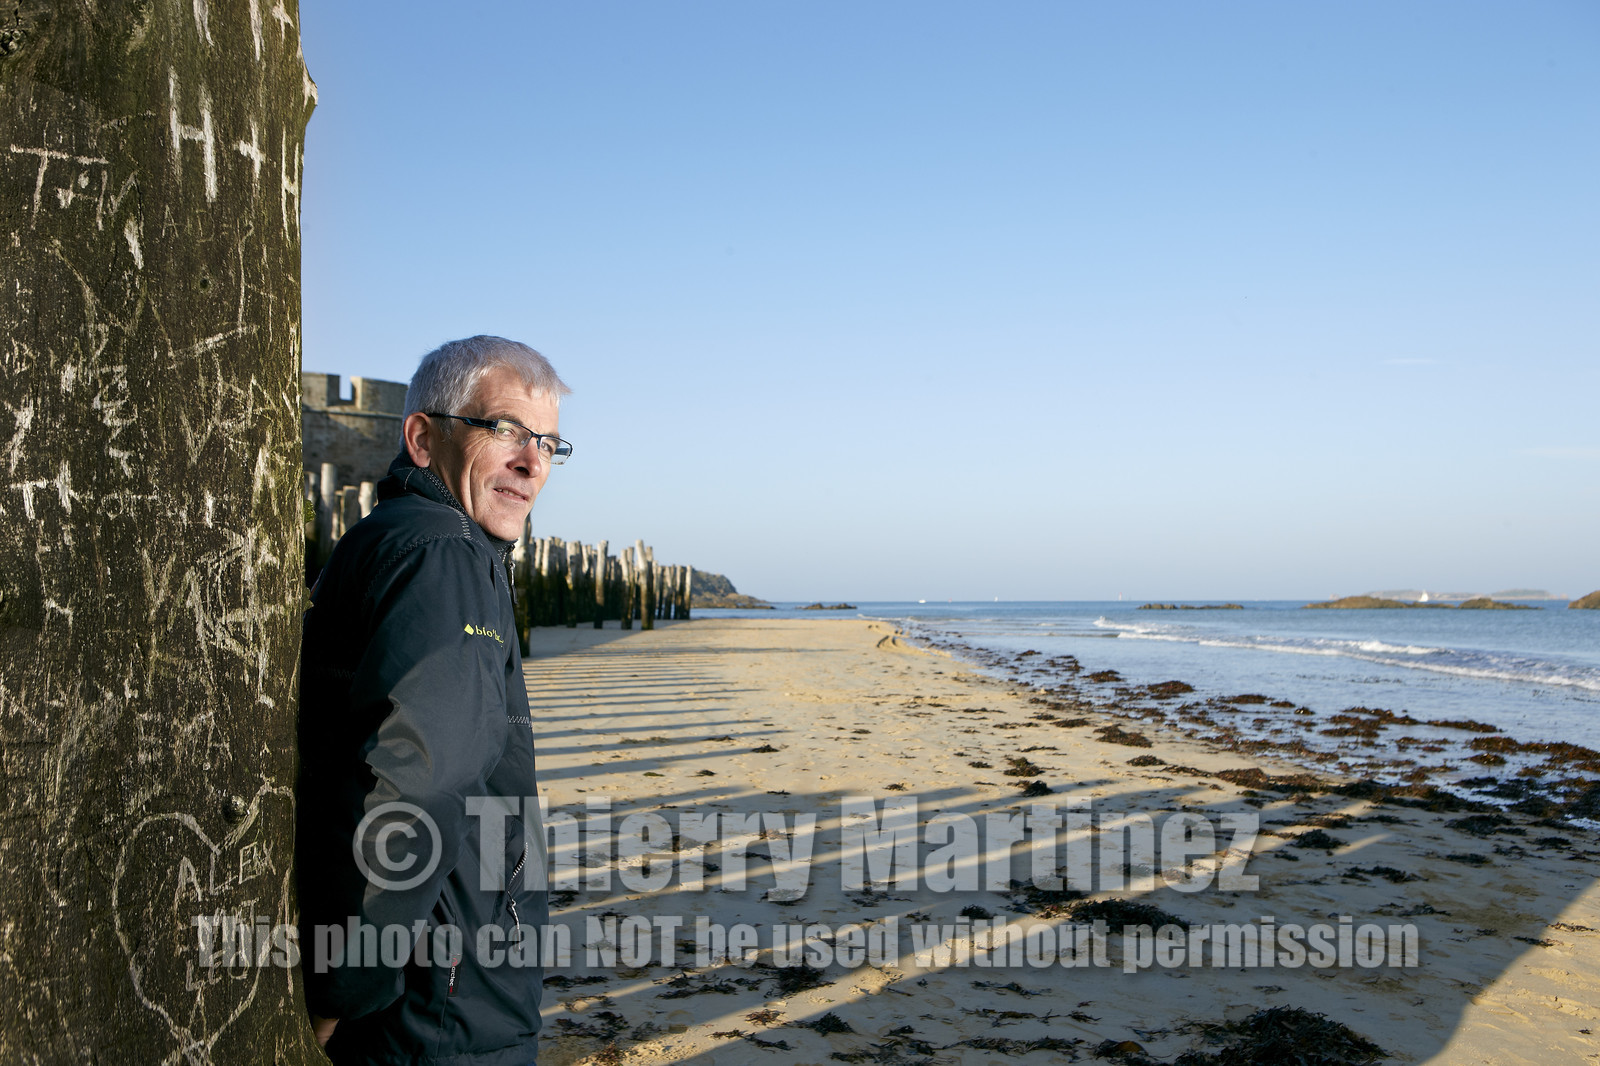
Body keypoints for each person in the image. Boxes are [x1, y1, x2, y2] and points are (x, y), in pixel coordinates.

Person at [297, 336, 570, 1066]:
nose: (532, 461)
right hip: (438, 1006)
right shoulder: (445, 557)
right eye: (506, 430)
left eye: (547, 442)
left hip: (444, 982)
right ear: (423, 437)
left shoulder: (413, 541)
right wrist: (345, 990)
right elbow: (418, 784)